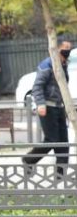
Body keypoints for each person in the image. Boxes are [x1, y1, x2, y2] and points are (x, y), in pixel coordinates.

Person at [23, 38, 72, 177]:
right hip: (48, 107)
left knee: (63, 143)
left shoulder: (63, 64)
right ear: (56, 49)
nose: (67, 51)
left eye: (69, 48)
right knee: (52, 140)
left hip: (59, 107)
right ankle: (29, 160)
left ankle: (60, 175)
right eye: (65, 48)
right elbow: (37, 86)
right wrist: (40, 103)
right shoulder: (47, 64)